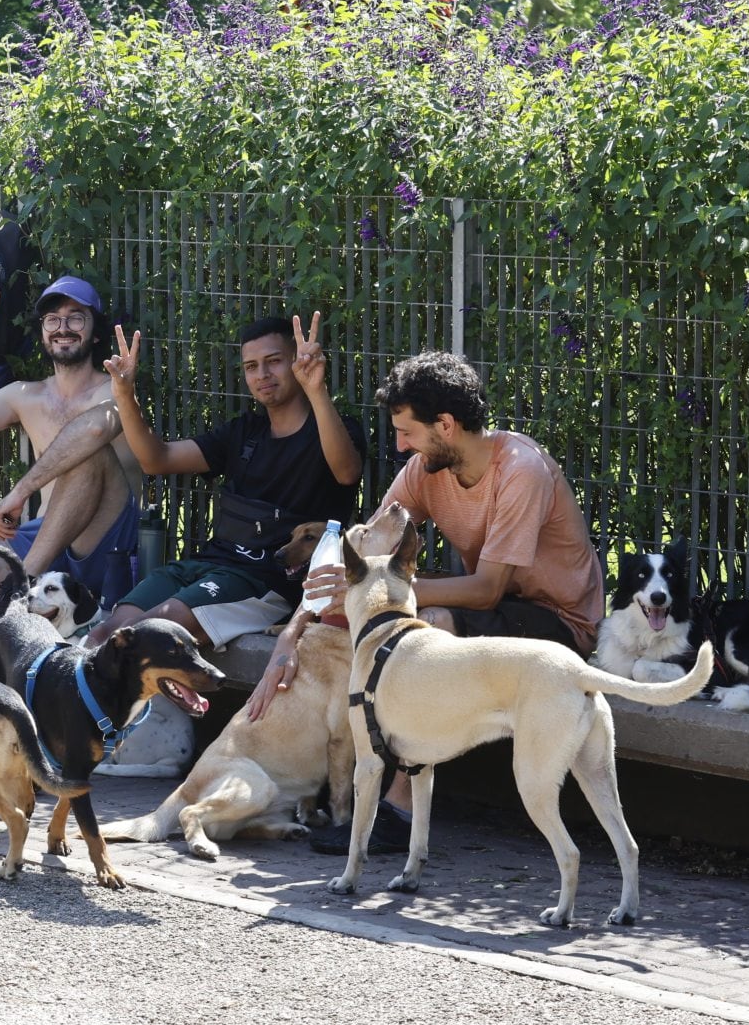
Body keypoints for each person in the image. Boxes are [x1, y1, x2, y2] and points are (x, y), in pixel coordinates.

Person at [248, 350, 605, 853]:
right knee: (393, 618)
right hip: (495, 610)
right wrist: (292, 633)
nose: (399, 446)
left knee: (428, 628)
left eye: (407, 433)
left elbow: (486, 589)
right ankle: (352, 792)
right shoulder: (424, 468)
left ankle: (397, 810)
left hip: (558, 624)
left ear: (446, 425)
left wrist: (376, 591)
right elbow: (363, 556)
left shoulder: (521, 470)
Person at [75, 313, 365, 650]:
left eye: (274, 361)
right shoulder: (243, 432)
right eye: (251, 366)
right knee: (106, 631)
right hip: (207, 566)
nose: (262, 374)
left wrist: (316, 390)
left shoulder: (334, 428)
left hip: (265, 583)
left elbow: (347, 472)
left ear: (296, 362)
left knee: (143, 636)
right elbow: (156, 460)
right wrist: (125, 394)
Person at [0, 276, 142, 679]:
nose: (63, 328)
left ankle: (17, 588)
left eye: (76, 318)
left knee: (90, 454)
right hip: (41, 541)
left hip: (103, 547)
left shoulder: (116, 390)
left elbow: (94, 431)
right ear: (42, 331)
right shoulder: (26, 395)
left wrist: (20, 491)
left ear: (95, 331)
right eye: (53, 319)